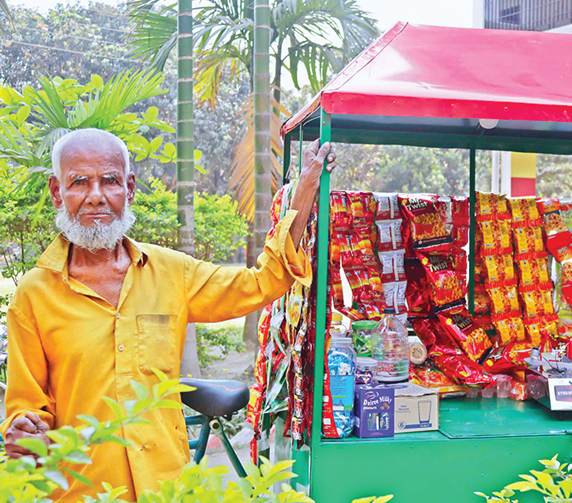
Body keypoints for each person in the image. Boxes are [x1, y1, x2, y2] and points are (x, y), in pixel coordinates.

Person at [0, 128, 335, 502]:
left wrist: (303, 194)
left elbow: (261, 283)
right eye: (79, 182)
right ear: (57, 192)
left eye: (109, 181)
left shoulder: (172, 272)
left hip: (168, 490)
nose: (96, 196)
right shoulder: (34, 293)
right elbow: (27, 408)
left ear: (129, 188)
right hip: (82, 492)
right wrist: (24, 428)